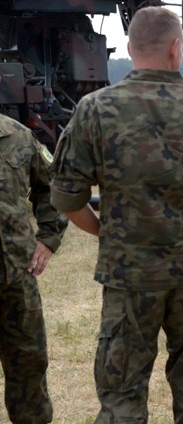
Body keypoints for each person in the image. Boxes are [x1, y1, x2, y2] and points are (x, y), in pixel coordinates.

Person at [49, 6, 183, 422]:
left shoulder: (94, 108)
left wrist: (109, 234)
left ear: (129, 48)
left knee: (122, 396)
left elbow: (68, 200)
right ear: (176, 49)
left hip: (128, 275)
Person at [0, 113, 67, 423]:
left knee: (28, 360)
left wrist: (49, 237)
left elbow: (52, 184)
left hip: (15, 276)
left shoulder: (17, 136)